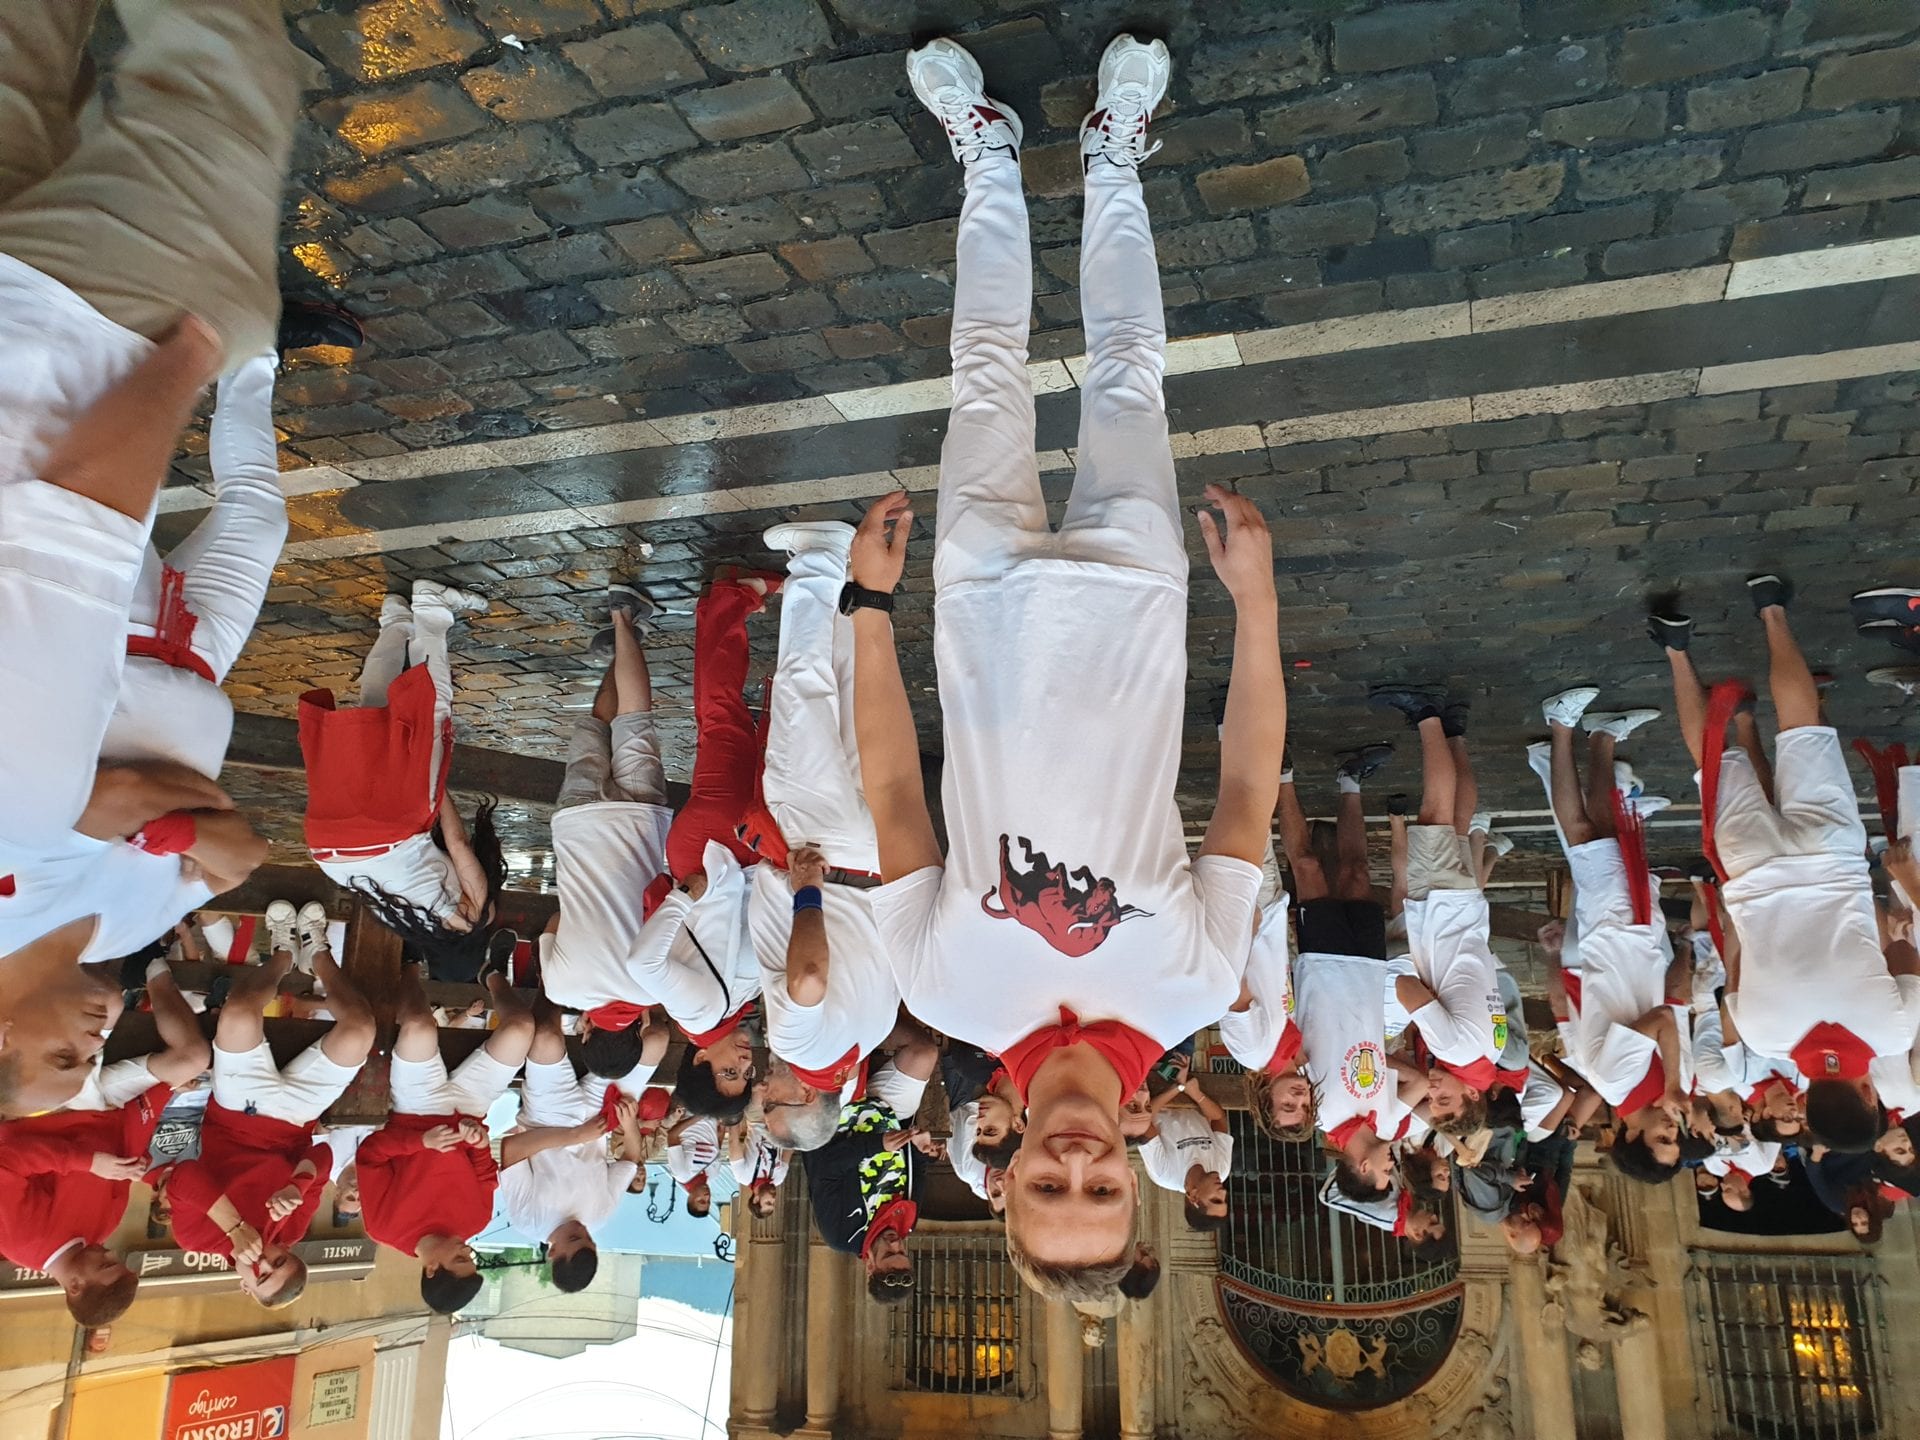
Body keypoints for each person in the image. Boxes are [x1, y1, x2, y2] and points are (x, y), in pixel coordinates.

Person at [857, 32, 1284, 1303]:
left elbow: (893, 792)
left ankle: (987, 158)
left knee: (982, 373)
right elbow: (1246, 784)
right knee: (1128, 377)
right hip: (1134, 607)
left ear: (1006, 1186)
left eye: (1051, 1193)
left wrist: (866, 607)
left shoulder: (945, 990)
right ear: (1136, 1190)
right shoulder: (1196, 982)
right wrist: (1256, 604)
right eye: (1103, 1196)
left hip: (982, 608)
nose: (1079, 1166)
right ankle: (1113, 158)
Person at [0, 0, 299, 868]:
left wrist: (196, 351)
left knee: (224, 73)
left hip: (70, 338)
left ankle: (247, 354)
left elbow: (79, 496)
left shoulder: (25, 811)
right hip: (42, 335)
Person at [1657, 579, 1920, 1151]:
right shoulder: (1763, 1035)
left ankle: (1771, 610)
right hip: (1754, 876)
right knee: (1712, 760)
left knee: (1804, 730)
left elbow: (1901, 943)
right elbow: (1735, 957)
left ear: (1870, 1096)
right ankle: (1676, 649)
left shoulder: (1896, 1032)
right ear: (1804, 1102)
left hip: (1833, 862)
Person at [747, 521, 906, 1106]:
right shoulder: (803, 1051)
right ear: (805, 1099)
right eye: (772, 1103)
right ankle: (820, 557)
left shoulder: (872, 1034)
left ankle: (849, 576)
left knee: (850, 696)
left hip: (878, 856)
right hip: (821, 854)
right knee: (803, 698)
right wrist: (807, 891)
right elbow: (809, 978)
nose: (763, 1088)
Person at [299, 577, 505, 980]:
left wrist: (435, 788)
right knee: (374, 718)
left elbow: (459, 844)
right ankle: (395, 620)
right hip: (328, 850)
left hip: (388, 828)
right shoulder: (404, 921)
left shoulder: (475, 919)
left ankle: (432, 608)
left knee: (431, 715)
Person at [166, 944, 375, 1306]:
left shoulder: (196, 1239)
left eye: (261, 1275)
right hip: (297, 1117)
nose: (263, 1261)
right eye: (279, 1262)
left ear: (245, 1286)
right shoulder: (292, 1229)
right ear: (289, 1253)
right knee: (360, 1030)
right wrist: (298, 1184)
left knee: (238, 1014)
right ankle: (317, 953)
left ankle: (282, 955)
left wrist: (235, 1228)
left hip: (236, 1112)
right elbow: (323, 1156)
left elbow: (184, 1177)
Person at [536, 590, 677, 1093]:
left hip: (640, 825)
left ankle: (625, 625)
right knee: (596, 728)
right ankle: (621, 631)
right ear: (586, 1030)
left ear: (639, 1031)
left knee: (635, 722)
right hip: (579, 828)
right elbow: (555, 922)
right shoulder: (561, 989)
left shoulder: (657, 985)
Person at [1365, 690, 1510, 1142]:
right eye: (1445, 1098)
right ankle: (1427, 716)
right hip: (1443, 916)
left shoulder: (1492, 1050)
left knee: (1459, 824)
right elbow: (1406, 989)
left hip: (1468, 919)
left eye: (1432, 1101)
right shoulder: (1455, 1050)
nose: (1432, 1091)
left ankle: (1454, 732)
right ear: (1471, 1094)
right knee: (1434, 816)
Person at [355, 963, 535, 1313]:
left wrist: (420, 1142)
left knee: (419, 1026)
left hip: (416, 1108)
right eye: (472, 1259)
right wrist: (478, 1143)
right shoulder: (475, 1222)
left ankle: (409, 971)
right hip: (471, 1107)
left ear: (432, 1268)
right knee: (521, 1028)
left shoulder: (383, 1228)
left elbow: (370, 1155)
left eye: (460, 1259)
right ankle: (491, 975)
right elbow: (485, 1173)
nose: (468, 1251)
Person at [497, 1002, 643, 1294]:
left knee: (546, 1038)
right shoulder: (599, 1216)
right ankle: (593, 1002)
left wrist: (575, 1136)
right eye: (589, 1238)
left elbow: (511, 1149)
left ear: (553, 1252)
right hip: (599, 1112)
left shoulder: (529, 1221)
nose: (582, 1229)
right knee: (651, 1042)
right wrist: (630, 1127)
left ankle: (548, 987)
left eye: (575, 1238)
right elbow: (631, 1159)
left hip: (547, 1115)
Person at [0, 1082, 169, 1325]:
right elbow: (128, 1156)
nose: (110, 1253)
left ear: (75, 1286)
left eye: (105, 1265)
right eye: (117, 1260)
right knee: (190, 1067)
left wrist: (88, 1162)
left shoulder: (22, 1241)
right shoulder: (103, 1230)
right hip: (116, 1102)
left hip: (49, 1104)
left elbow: (5, 1162)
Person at [1223, 785, 1310, 1142]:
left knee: (1248, 813)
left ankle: (1248, 756)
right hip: (1270, 913)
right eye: (1304, 1105)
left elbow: (1232, 986)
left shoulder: (1252, 1050)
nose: (1299, 1098)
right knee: (1253, 818)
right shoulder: (1290, 1050)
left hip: (1252, 914)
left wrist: (1246, 928)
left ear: (1265, 1100)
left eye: (1288, 1105)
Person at [804, 1081, 941, 1305]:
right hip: (889, 1113)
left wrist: (876, 1145)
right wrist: (923, 1151)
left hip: (834, 1116)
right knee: (922, 1063)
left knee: (849, 1068)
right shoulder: (907, 1222)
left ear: (870, 1266)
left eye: (889, 1253)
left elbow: (825, 1169)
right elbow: (917, 1170)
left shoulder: (840, 1235)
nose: (896, 1244)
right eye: (902, 1252)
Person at [1137, 1061, 1232, 1231]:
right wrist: (1196, 1094)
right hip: (1190, 1079)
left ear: (1194, 1197)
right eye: (1225, 1199)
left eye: (1216, 1200)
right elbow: (1219, 1119)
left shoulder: (1164, 1173)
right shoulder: (1222, 1169)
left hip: (1151, 1084)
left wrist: (1178, 1088)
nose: (1223, 1193)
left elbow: (1143, 1120)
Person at [729, 1120, 792, 1219]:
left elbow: (734, 1141)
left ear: (756, 1199)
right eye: (773, 1203)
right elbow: (790, 1147)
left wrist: (734, 1114)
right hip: (779, 1121)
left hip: (757, 1119)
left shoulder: (742, 1175)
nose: (773, 1199)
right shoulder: (779, 1178)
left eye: (768, 1202)